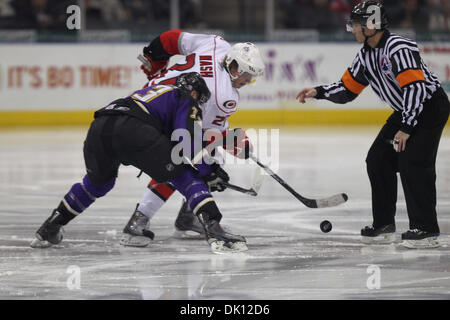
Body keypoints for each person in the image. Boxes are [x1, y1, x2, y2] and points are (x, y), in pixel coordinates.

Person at [30, 72, 247, 253]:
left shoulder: (154, 93)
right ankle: (213, 227)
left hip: (100, 126)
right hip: (133, 129)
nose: (199, 105)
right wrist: (209, 171)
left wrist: (208, 164)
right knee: (182, 172)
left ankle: (51, 226)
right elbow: (186, 139)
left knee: (97, 184)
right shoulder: (185, 97)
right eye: (200, 99)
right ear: (194, 92)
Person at [296, 1, 449, 248]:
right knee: (378, 160)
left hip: (429, 108)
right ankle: (384, 224)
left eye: (355, 24)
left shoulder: (398, 47)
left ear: (371, 25)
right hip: (407, 109)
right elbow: (347, 89)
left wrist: (407, 127)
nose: (352, 29)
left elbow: (416, 88)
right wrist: (319, 91)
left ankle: (426, 228)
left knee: (413, 163)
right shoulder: (366, 55)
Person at [120, 29, 265, 247]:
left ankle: (186, 217)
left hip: (144, 102)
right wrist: (233, 142)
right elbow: (198, 136)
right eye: (242, 73)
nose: (245, 80)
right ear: (232, 63)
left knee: (198, 159)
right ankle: (140, 220)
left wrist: (153, 58)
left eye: (250, 78)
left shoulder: (217, 45)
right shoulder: (224, 96)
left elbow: (172, 38)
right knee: (182, 162)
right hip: (158, 119)